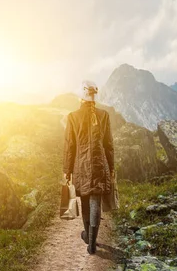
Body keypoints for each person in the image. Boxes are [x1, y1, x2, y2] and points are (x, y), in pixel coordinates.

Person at [63, 80, 114, 254]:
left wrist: (67, 171)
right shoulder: (104, 115)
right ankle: (92, 242)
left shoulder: (72, 117)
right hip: (100, 166)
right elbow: (109, 145)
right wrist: (112, 168)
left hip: (81, 167)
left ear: (81, 96)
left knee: (85, 201)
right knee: (96, 202)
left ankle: (87, 237)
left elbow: (70, 147)